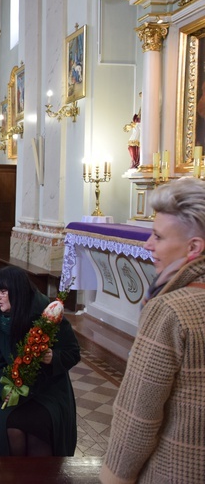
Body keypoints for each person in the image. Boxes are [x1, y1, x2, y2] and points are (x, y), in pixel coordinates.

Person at [101, 177, 205, 484]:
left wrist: (113, 478)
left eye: (158, 237)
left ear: (193, 247)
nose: (148, 244)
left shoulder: (171, 310)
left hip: (175, 471)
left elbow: (138, 417)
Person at [0, 266, 80, 457]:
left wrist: (53, 357)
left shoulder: (48, 314)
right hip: (9, 387)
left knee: (39, 430)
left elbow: (73, 352)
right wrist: (5, 386)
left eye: (2, 292)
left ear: (17, 292)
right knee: (10, 428)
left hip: (48, 389)